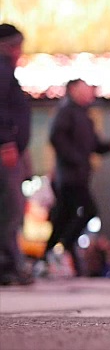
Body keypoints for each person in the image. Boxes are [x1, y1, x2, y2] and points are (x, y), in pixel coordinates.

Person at [44, 79, 110, 277]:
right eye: (85, 89)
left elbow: (95, 146)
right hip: (69, 176)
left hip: (79, 175)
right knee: (87, 211)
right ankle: (63, 248)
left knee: (63, 217)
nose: (90, 93)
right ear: (73, 90)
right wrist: (76, 159)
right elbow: (56, 137)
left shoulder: (84, 115)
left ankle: (47, 256)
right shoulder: (66, 111)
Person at [0, 23, 33, 286]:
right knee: (9, 209)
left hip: (9, 149)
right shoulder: (2, 69)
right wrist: (7, 141)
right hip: (5, 152)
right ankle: (8, 265)